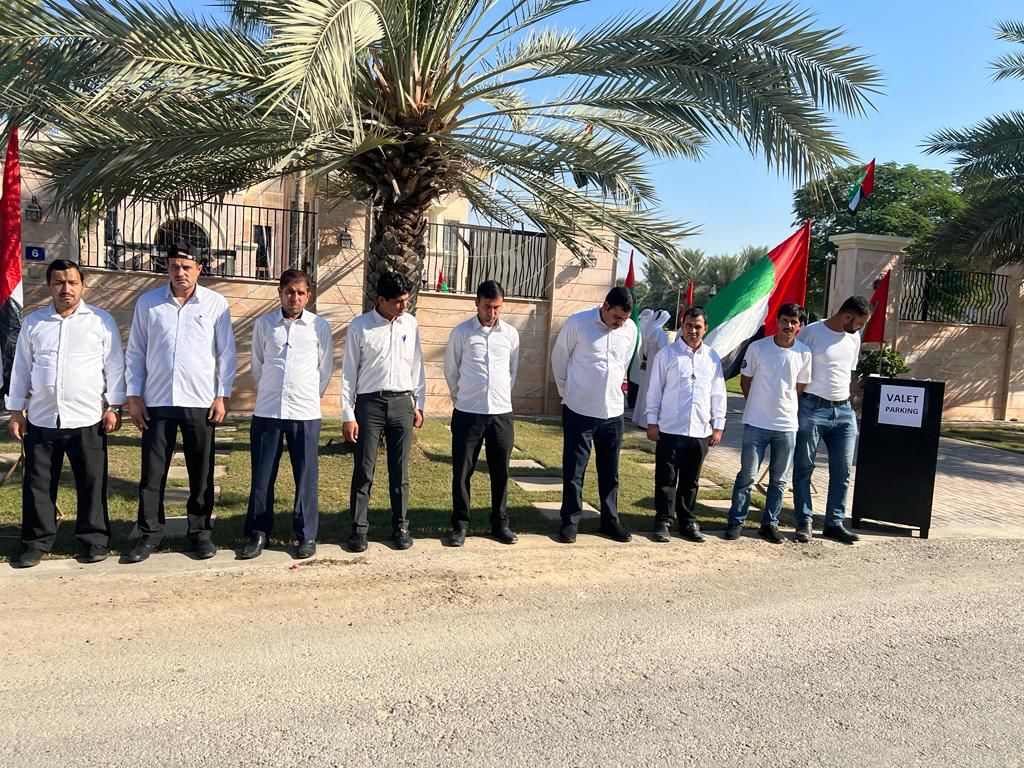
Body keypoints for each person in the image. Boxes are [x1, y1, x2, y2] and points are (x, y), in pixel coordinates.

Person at [6, 260, 125, 568]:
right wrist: (16, 411)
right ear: (50, 285)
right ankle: (36, 542)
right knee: (38, 484)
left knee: (91, 482)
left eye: (72, 282)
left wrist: (114, 407)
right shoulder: (34, 323)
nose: (66, 288)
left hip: (87, 418)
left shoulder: (100, 321)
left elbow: (114, 366)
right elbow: (21, 368)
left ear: (82, 285)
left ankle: (94, 539)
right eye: (59, 282)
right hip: (43, 417)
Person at [123, 243, 237, 563]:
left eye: (187, 267)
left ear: (199, 269)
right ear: (167, 268)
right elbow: (136, 352)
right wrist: (133, 396)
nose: (180, 272)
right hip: (157, 401)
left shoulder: (215, 304)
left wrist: (222, 395)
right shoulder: (149, 303)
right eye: (174, 266)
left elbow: (226, 354)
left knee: (201, 472)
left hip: (200, 401)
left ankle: (200, 532)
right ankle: (149, 534)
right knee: (152, 473)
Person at [240, 269, 333, 560]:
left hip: (304, 412)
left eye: (301, 293)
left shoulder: (319, 327)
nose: (295, 298)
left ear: (308, 296)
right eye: (290, 292)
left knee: (306, 476)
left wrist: (308, 395)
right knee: (262, 475)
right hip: (268, 410)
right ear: (280, 292)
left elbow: (325, 369)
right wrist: (271, 388)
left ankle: (306, 535)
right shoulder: (264, 324)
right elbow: (258, 364)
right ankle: (258, 533)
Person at [341, 272, 425, 553]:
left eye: (406, 300)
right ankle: (359, 530)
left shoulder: (410, 324)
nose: (404, 306)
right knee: (364, 469)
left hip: (402, 403)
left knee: (400, 471)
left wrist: (419, 404)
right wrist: (348, 414)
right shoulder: (360, 326)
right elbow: (348, 373)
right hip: (369, 405)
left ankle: (401, 527)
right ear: (380, 300)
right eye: (398, 301)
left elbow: (417, 365)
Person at [551, 286, 638, 544]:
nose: (620, 323)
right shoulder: (578, 323)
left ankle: (610, 520)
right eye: (617, 317)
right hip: (579, 410)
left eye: (624, 319)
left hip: (613, 411)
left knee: (610, 471)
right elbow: (559, 360)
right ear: (605, 305)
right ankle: (570, 521)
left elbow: (624, 363)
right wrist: (567, 393)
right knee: (574, 470)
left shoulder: (630, 330)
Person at [724, 304, 812, 543]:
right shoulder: (758, 347)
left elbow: (799, 387)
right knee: (747, 475)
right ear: (777, 321)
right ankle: (736, 521)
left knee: (779, 480)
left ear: (800, 326)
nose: (788, 326)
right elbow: (746, 381)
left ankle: (770, 523)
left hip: (786, 425)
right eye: (785, 320)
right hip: (756, 423)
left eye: (794, 322)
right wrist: (757, 405)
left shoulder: (804, 353)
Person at [444, 280, 520, 546]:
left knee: (500, 472)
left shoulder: (510, 335)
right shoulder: (462, 333)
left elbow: (512, 372)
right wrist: (463, 397)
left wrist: (499, 397)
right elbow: (451, 371)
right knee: (462, 472)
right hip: (468, 413)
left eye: (497, 307)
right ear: (476, 303)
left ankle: (500, 524)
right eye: (488, 306)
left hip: (501, 414)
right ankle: (460, 525)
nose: (492, 313)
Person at [792, 295, 872, 544]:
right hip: (812, 408)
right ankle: (804, 521)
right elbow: (795, 367)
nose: (860, 328)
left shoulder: (853, 338)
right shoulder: (811, 333)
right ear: (847, 316)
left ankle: (834, 523)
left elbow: (847, 372)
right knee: (804, 467)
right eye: (859, 323)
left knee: (843, 470)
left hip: (844, 411)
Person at [645, 306, 727, 543]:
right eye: (689, 325)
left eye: (697, 326)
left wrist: (718, 425)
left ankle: (687, 521)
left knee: (691, 480)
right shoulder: (667, 355)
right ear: (682, 325)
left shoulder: (712, 357)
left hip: (700, 430)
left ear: (705, 328)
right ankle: (663, 521)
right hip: (670, 428)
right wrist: (652, 421)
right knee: (666, 478)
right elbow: (654, 391)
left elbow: (718, 393)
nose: (693, 330)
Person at [633, 309, 670, 428]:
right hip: (657, 367)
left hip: (647, 365)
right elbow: (663, 351)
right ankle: (650, 421)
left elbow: (642, 351)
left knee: (645, 391)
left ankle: (642, 419)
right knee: (655, 392)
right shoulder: (659, 332)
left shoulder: (648, 330)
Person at [627, 309, 654, 409]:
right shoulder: (647, 327)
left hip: (635, 359)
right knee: (639, 383)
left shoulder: (636, 325)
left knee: (633, 381)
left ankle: (631, 402)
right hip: (642, 359)